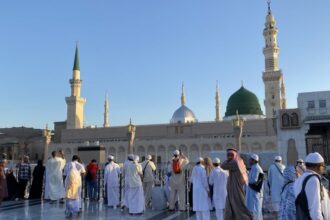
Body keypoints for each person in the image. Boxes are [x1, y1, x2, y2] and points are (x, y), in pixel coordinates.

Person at [294, 152, 330, 219]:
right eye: (323, 166)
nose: (323, 169)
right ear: (318, 166)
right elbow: (314, 209)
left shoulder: (300, 178)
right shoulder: (313, 180)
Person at [221, 148, 252, 220]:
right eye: (228, 155)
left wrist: (228, 159)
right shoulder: (238, 161)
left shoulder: (235, 163)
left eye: (231, 155)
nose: (229, 156)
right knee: (232, 206)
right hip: (234, 188)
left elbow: (223, 166)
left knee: (239, 206)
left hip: (236, 189)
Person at [246, 154, 264, 220]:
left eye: (250, 160)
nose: (249, 161)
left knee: (255, 211)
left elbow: (254, 180)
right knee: (255, 210)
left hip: (254, 194)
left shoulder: (256, 168)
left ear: (253, 160)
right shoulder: (254, 167)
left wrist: (246, 177)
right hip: (253, 193)